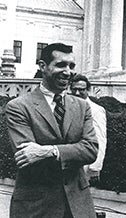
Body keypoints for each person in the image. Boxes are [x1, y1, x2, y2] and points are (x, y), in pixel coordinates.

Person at [6, 43, 98, 218]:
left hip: (78, 206)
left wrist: (50, 151)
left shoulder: (82, 106)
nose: (68, 71)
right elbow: (27, 157)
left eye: (71, 66)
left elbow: (91, 150)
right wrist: (73, 152)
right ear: (42, 66)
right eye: (60, 65)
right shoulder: (18, 107)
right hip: (36, 207)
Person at [70, 74, 107, 185]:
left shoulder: (96, 110)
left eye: (81, 90)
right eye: (74, 89)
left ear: (88, 90)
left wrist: (95, 166)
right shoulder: (65, 106)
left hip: (85, 162)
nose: (77, 93)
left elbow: (100, 137)